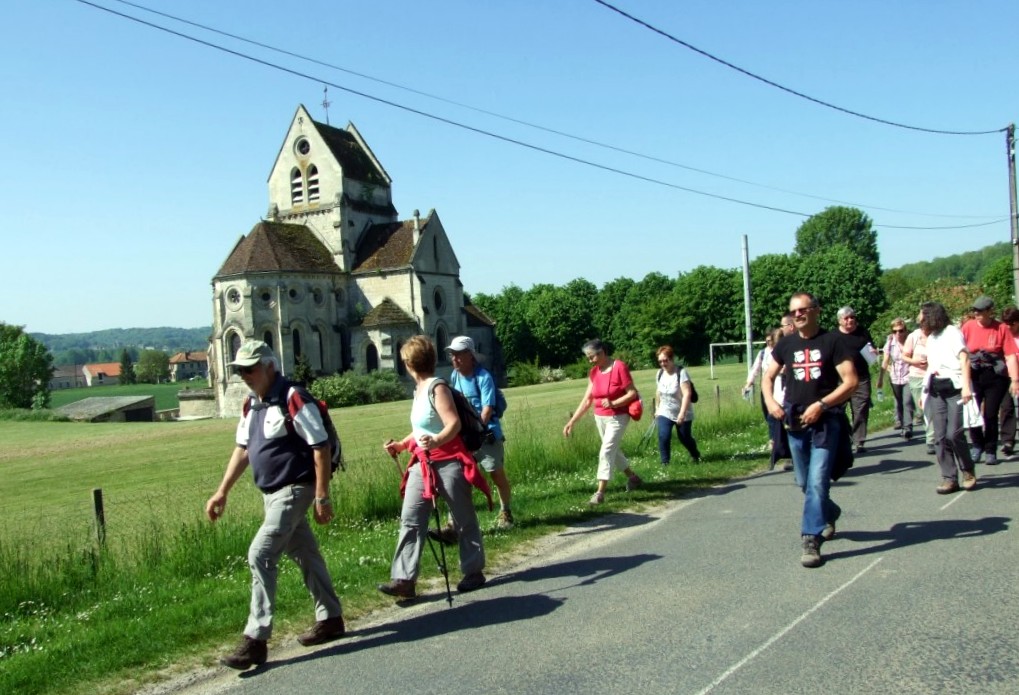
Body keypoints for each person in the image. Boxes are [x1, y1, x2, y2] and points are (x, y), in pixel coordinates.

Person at [205, 340, 344, 670]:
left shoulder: (293, 397)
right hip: (272, 495)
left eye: (249, 369)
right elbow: (243, 450)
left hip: (295, 490)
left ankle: (256, 639)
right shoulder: (251, 404)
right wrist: (221, 491)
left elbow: (320, 447)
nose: (244, 376)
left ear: (269, 365)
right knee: (305, 553)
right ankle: (331, 618)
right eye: (239, 370)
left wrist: (322, 495)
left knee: (260, 553)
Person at [379, 335, 491, 599]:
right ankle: (404, 580)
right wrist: (401, 444)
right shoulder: (418, 391)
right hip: (423, 462)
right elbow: (421, 429)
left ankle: (473, 571)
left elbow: (453, 424)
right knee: (411, 518)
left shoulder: (437, 387)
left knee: (463, 518)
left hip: (449, 460)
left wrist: (438, 440)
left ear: (408, 363)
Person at [763, 292, 858, 569]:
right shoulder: (786, 345)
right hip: (795, 422)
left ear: (817, 310)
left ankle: (811, 538)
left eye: (803, 310)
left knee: (817, 482)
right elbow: (767, 377)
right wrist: (771, 402)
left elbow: (850, 381)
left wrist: (821, 404)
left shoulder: (834, 341)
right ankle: (829, 511)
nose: (797, 315)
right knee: (804, 483)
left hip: (825, 423)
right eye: (793, 312)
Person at [446, 335, 514, 530]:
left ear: (471, 355)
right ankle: (454, 523)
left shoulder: (484, 377)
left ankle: (506, 512)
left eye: (459, 354)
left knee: (497, 475)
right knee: (458, 479)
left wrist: (476, 433)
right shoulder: (454, 376)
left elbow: (487, 410)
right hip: (465, 438)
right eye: (452, 355)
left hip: (486, 435)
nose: (455, 359)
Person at [563, 339, 643, 505]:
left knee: (606, 451)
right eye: (588, 358)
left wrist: (614, 403)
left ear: (602, 352)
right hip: (600, 417)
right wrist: (572, 422)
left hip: (618, 417)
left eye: (592, 357)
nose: (590, 360)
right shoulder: (594, 373)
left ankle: (599, 493)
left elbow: (632, 393)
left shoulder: (619, 367)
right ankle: (633, 478)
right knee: (613, 450)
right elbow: (587, 401)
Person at [920, 302, 977, 494]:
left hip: (955, 388)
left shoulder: (952, 332)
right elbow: (931, 365)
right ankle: (949, 477)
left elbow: (964, 359)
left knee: (954, 434)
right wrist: (924, 393)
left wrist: (967, 387)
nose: (920, 319)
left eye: (922, 315)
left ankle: (968, 470)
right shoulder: (931, 337)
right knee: (940, 436)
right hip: (936, 389)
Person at [961, 295, 1019, 466]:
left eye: (980, 311)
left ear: (989, 311)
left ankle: (991, 449)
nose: (976, 314)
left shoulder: (1001, 328)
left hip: (995, 375)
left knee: (990, 414)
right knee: (973, 411)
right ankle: (977, 444)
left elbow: (1009, 355)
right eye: (975, 311)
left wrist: (1015, 380)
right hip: (974, 373)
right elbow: (961, 353)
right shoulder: (968, 327)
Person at [744, 328, 790, 469]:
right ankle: (776, 444)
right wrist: (748, 383)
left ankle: (782, 449)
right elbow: (756, 369)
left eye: (772, 341)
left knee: (783, 420)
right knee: (770, 417)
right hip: (769, 390)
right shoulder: (764, 353)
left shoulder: (786, 351)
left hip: (785, 390)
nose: (770, 343)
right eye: (768, 341)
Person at [835, 306, 876, 454]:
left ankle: (859, 441)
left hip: (861, 378)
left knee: (861, 409)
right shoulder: (834, 336)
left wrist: (874, 352)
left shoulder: (863, 332)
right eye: (846, 318)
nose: (850, 320)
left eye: (852, 317)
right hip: (840, 380)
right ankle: (845, 435)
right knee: (837, 410)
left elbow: (871, 350)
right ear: (840, 321)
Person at [655, 345, 701, 464]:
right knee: (663, 435)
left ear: (672, 359)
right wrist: (657, 408)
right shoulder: (660, 373)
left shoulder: (681, 373)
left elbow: (687, 394)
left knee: (684, 437)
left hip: (682, 411)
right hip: (665, 411)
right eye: (660, 361)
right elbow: (658, 392)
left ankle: (695, 455)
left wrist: (682, 414)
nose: (663, 364)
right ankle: (665, 463)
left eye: (665, 360)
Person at [902, 311, 935, 454]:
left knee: (936, 408)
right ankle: (932, 437)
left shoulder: (936, 335)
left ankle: (932, 439)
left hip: (934, 375)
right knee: (923, 408)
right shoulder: (913, 336)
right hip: (917, 377)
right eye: (922, 323)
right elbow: (904, 356)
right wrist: (915, 361)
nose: (924, 326)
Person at [877, 318, 913, 439]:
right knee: (899, 402)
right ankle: (902, 425)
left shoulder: (910, 340)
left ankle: (908, 427)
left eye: (901, 331)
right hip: (895, 376)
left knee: (907, 401)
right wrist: (880, 378)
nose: (898, 333)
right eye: (895, 331)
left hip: (908, 375)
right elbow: (885, 360)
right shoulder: (890, 343)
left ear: (905, 330)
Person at [996, 306, 1019, 457]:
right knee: (1007, 408)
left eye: (1012, 324)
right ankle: (1008, 440)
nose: (1009, 327)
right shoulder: (1003, 333)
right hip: (1006, 376)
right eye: (1006, 324)